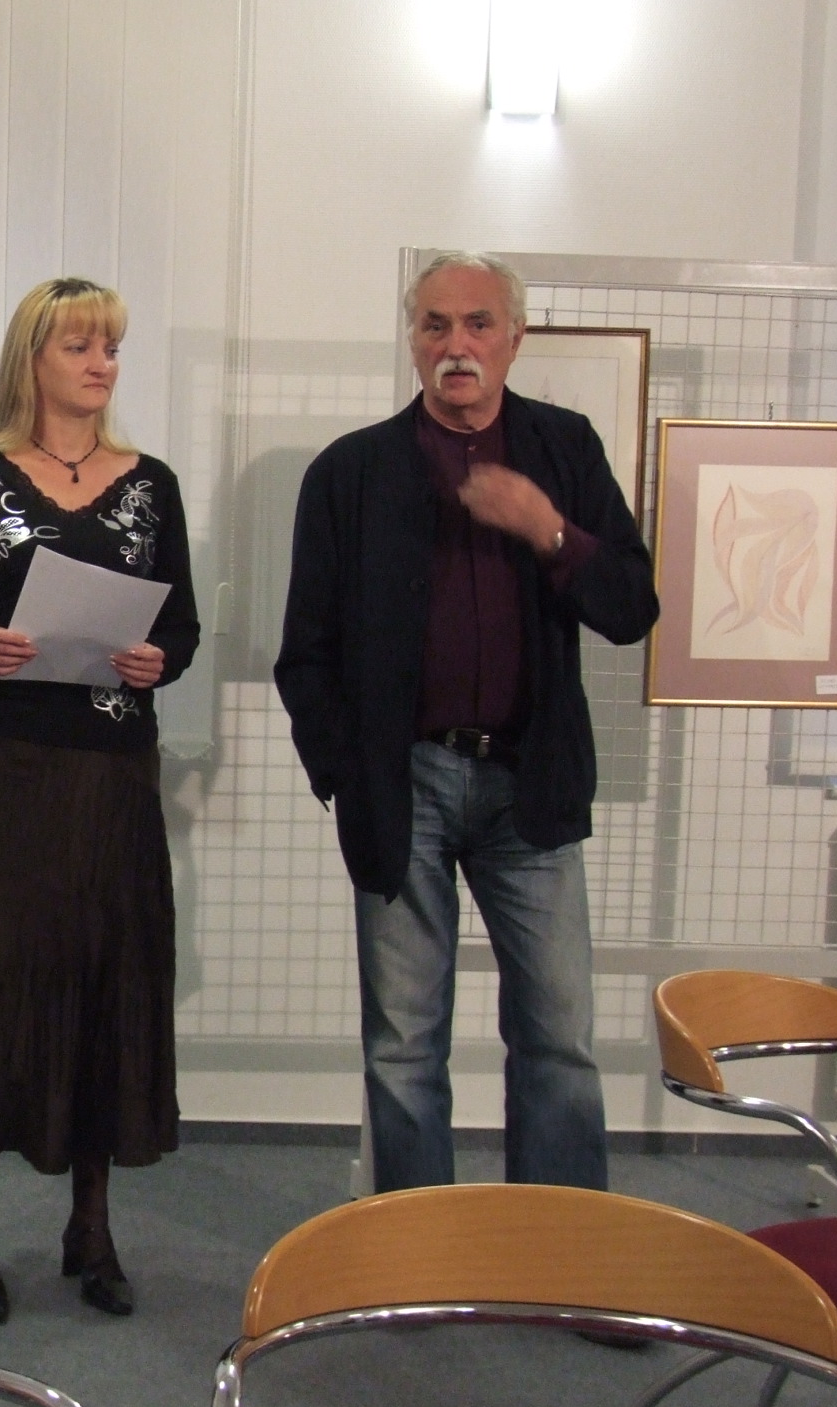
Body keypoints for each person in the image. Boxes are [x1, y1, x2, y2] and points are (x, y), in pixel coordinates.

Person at [274, 250, 659, 1195]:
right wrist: (347, 775)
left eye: (479, 324)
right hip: (402, 784)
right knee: (404, 1043)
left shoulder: (563, 448)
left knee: (558, 1036)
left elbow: (631, 607)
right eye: (436, 324)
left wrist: (548, 530)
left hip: (531, 784)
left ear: (514, 340)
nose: (457, 345)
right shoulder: (351, 471)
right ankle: (420, 1248)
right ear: (412, 341)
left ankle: (557, 1245)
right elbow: (305, 654)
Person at [0, 277, 200, 1324]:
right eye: (80, 346)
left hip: (110, 773)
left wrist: (160, 662)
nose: (102, 364)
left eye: (111, 346)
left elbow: (182, 628)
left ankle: (90, 1227)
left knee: (103, 977)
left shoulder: (151, 483)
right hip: (4, 770)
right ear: (34, 359)